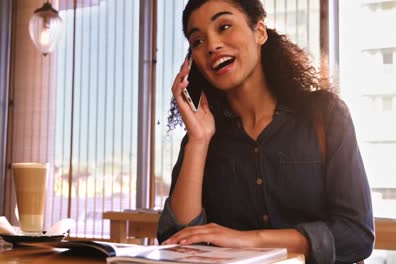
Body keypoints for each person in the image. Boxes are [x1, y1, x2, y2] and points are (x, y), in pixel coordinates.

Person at [156, 0, 374, 263]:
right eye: (197, 41)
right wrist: (199, 141)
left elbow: (357, 235)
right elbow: (177, 240)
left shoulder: (324, 115)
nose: (212, 45)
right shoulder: (203, 134)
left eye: (224, 26)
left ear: (259, 32)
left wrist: (249, 239)